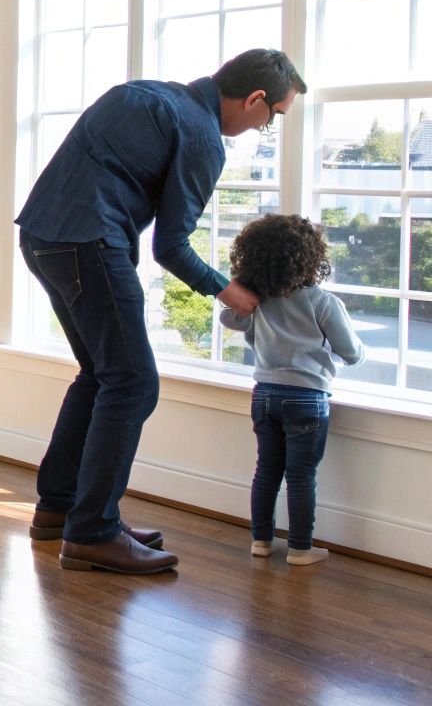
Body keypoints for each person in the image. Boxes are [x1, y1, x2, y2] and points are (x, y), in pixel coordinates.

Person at [17, 49, 305, 574]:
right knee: (132, 383)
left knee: (101, 375)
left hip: (40, 236)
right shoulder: (201, 136)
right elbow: (170, 246)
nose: (268, 127)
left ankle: (59, 509)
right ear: (255, 99)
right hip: (88, 242)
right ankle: (93, 532)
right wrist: (226, 289)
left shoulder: (145, 92)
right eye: (274, 118)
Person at [219, 213, 363, 566]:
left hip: (264, 394)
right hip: (308, 398)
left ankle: (261, 541)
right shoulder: (321, 301)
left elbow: (228, 318)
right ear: (312, 257)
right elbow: (352, 353)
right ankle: (300, 548)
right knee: (301, 475)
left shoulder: (259, 300)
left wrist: (247, 287)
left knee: (266, 469)